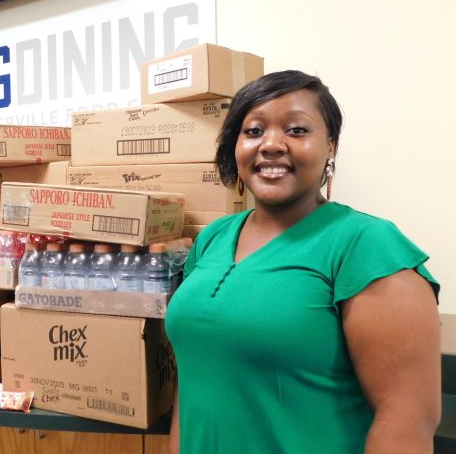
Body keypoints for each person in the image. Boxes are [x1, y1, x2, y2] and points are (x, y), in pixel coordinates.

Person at [164, 70, 441, 453]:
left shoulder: (366, 246)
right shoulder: (213, 237)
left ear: (330, 146)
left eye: (296, 130)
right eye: (254, 131)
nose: (272, 145)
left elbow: (407, 421)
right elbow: (192, 382)